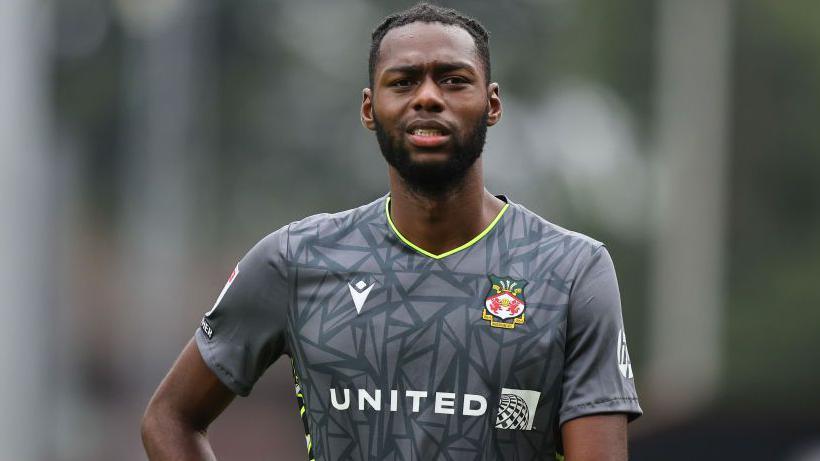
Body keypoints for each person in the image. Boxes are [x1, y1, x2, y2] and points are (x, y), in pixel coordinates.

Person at [141, 3, 642, 460]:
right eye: (403, 82)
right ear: (368, 108)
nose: (427, 97)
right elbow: (169, 419)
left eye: (452, 80)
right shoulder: (295, 260)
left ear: (491, 105)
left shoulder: (572, 271)